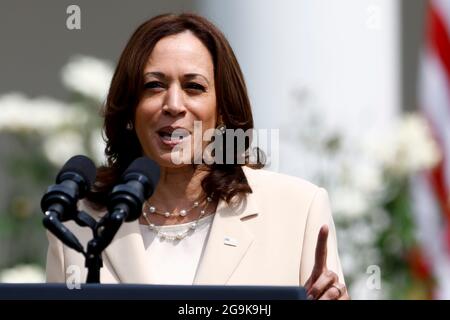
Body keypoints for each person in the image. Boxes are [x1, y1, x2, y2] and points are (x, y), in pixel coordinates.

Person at [46, 13, 349, 300]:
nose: (174, 104)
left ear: (222, 111)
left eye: (194, 87)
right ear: (130, 108)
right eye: (154, 86)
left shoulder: (298, 209)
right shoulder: (80, 222)